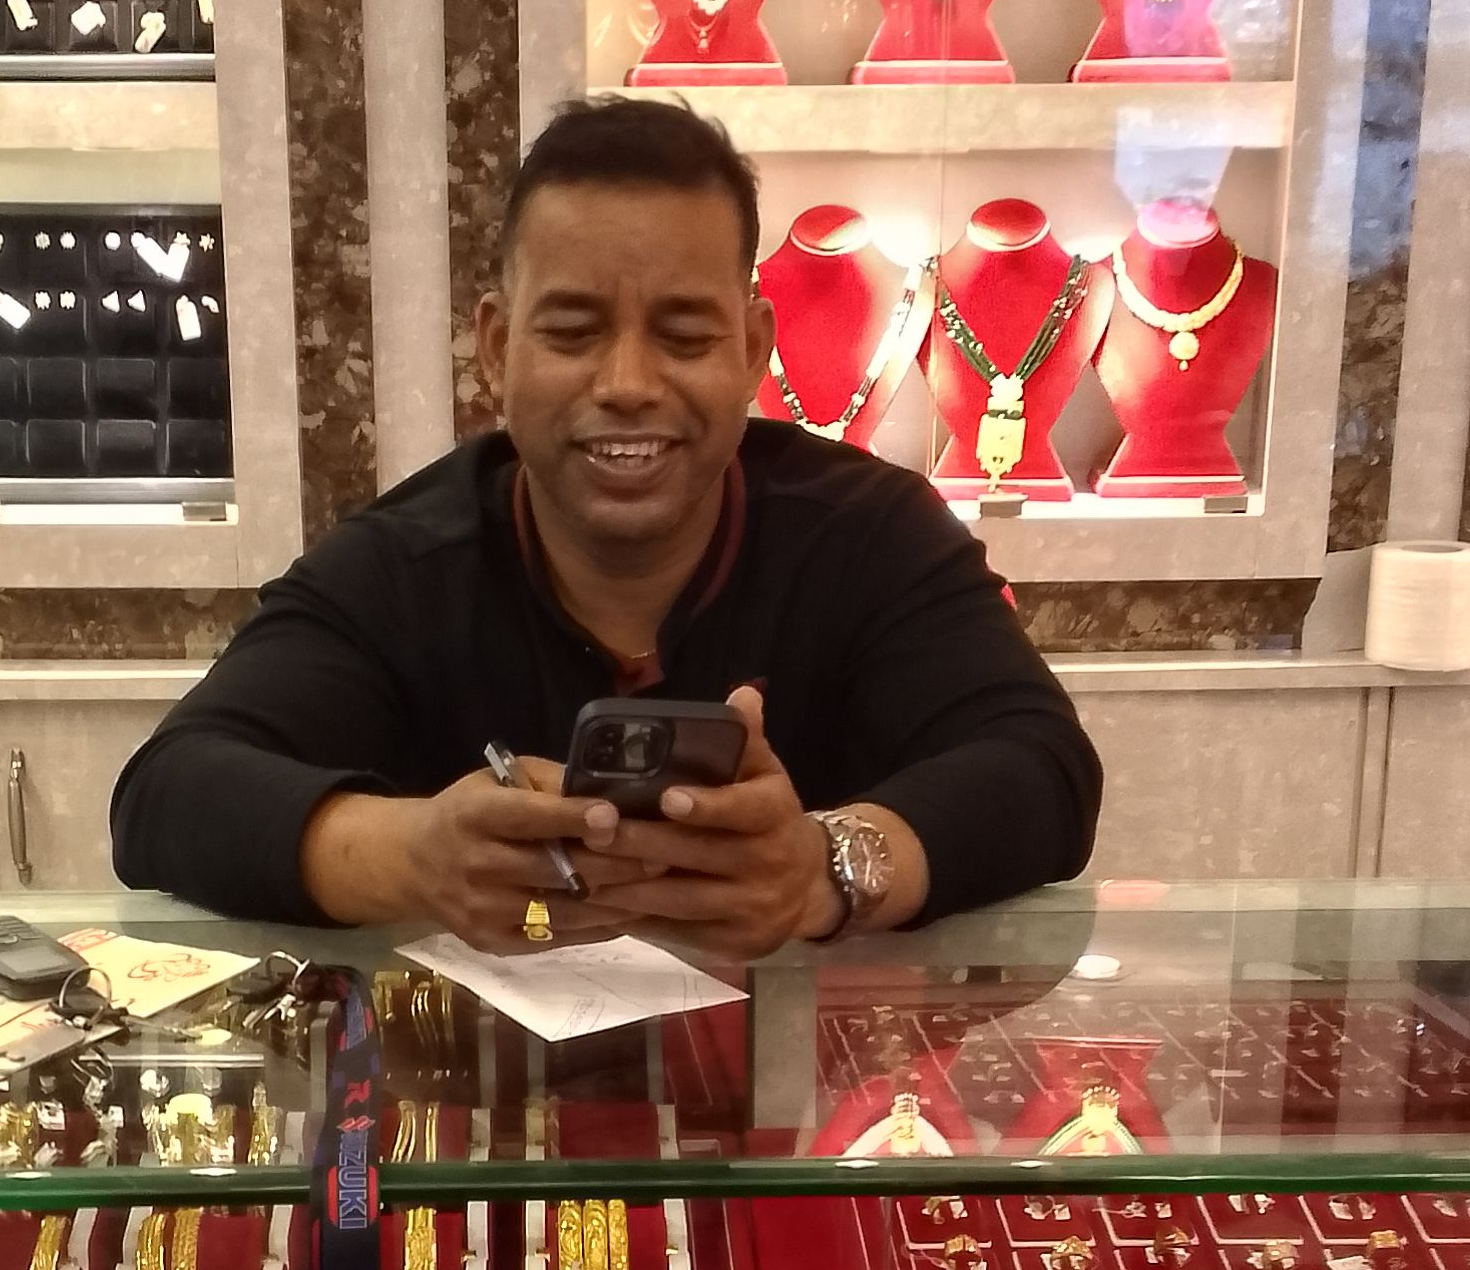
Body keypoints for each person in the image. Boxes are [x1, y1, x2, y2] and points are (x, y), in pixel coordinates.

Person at [112, 96, 1101, 956]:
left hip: (804, 1096)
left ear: (753, 349)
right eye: (573, 332)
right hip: (473, 1097)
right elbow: (167, 794)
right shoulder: (402, 562)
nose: (627, 384)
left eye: (685, 335)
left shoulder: (871, 534)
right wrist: (415, 857)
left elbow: (1044, 769)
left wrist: (826, 868)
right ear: (496, 350)